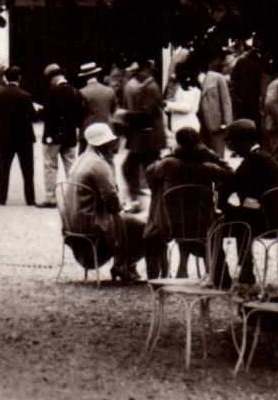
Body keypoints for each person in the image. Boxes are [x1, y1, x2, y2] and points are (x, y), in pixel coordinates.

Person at [142, 126, 231, 277]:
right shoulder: (208, 167)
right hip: (201, 224)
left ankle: (160, 275)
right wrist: (211, 155)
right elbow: (229, 173)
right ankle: (196, 269)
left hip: (170, 224)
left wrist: (171, 155)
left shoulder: (168, 165)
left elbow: (150, 172)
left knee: (155, 231)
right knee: (194, 220)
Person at [67, 122, 147, 281]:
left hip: (77, 219)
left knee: (129, 222)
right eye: (110, 142)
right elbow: (111, 201)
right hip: (93, 220)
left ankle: (123, 265)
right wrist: (122, 205)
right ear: (104, 144)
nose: (112, 145)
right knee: (142, 227)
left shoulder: (81, 159)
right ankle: (125, 266)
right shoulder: (99, 164)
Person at [121, 60, 167, 205]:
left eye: (138, 72)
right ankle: (148, 198)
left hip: (147, 137)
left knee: (138, 168)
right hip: (146, 136)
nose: (135, 76)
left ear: (145, 71)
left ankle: (154, 199)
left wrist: (125, 115)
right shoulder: (147, 86)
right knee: (140, 168)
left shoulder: (150, 88)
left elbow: (147, 114)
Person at [0, 66, 37, 206]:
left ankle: (2, 198)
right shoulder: (26, 96)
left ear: (5, 78)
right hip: (24, 138)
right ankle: (30, 199)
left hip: (4, 137)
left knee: (3, 168)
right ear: (19, 77)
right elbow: (34, 117)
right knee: (27, 169)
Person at [40, 64, 83, 207]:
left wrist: (39, 110)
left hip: (53, 135)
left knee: (50, 166)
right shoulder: (75, 92)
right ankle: (75, 198)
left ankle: (51, 198)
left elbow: (47, 115)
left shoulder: (52, 92)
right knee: (71, 167)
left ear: (53, 78)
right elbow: (78, 116)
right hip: (70, 135)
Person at [196, 57, 234, 156]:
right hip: (199, 121)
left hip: (215, 122)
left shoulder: (217, 77)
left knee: (217, 154)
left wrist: (227, 122)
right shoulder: (193, 79)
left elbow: (226, 101)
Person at [78, 62, 116, 152]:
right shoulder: (109, 90)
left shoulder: (81, 93)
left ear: (84, 77)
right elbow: (113, 110)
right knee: (108, 159)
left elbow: (79, 114)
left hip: (88, 132)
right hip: (107, 130)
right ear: (97, 74)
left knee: (86, 160)